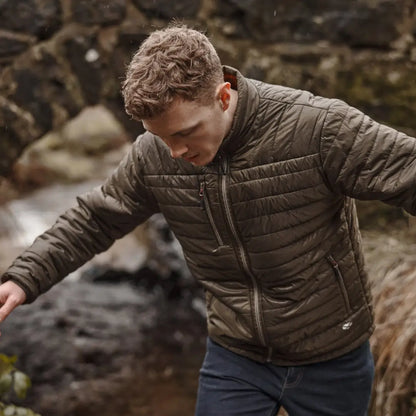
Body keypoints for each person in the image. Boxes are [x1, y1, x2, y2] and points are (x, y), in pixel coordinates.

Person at [0, 24, 414, 416]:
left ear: (223, 94)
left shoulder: (318, 128)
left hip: (331, 354)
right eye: (162, 137)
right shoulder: (153, 154)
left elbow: (408, 172)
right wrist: (24, 276)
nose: (176, 151)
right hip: (236, 354)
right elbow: (96, 218)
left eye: (186, 133)